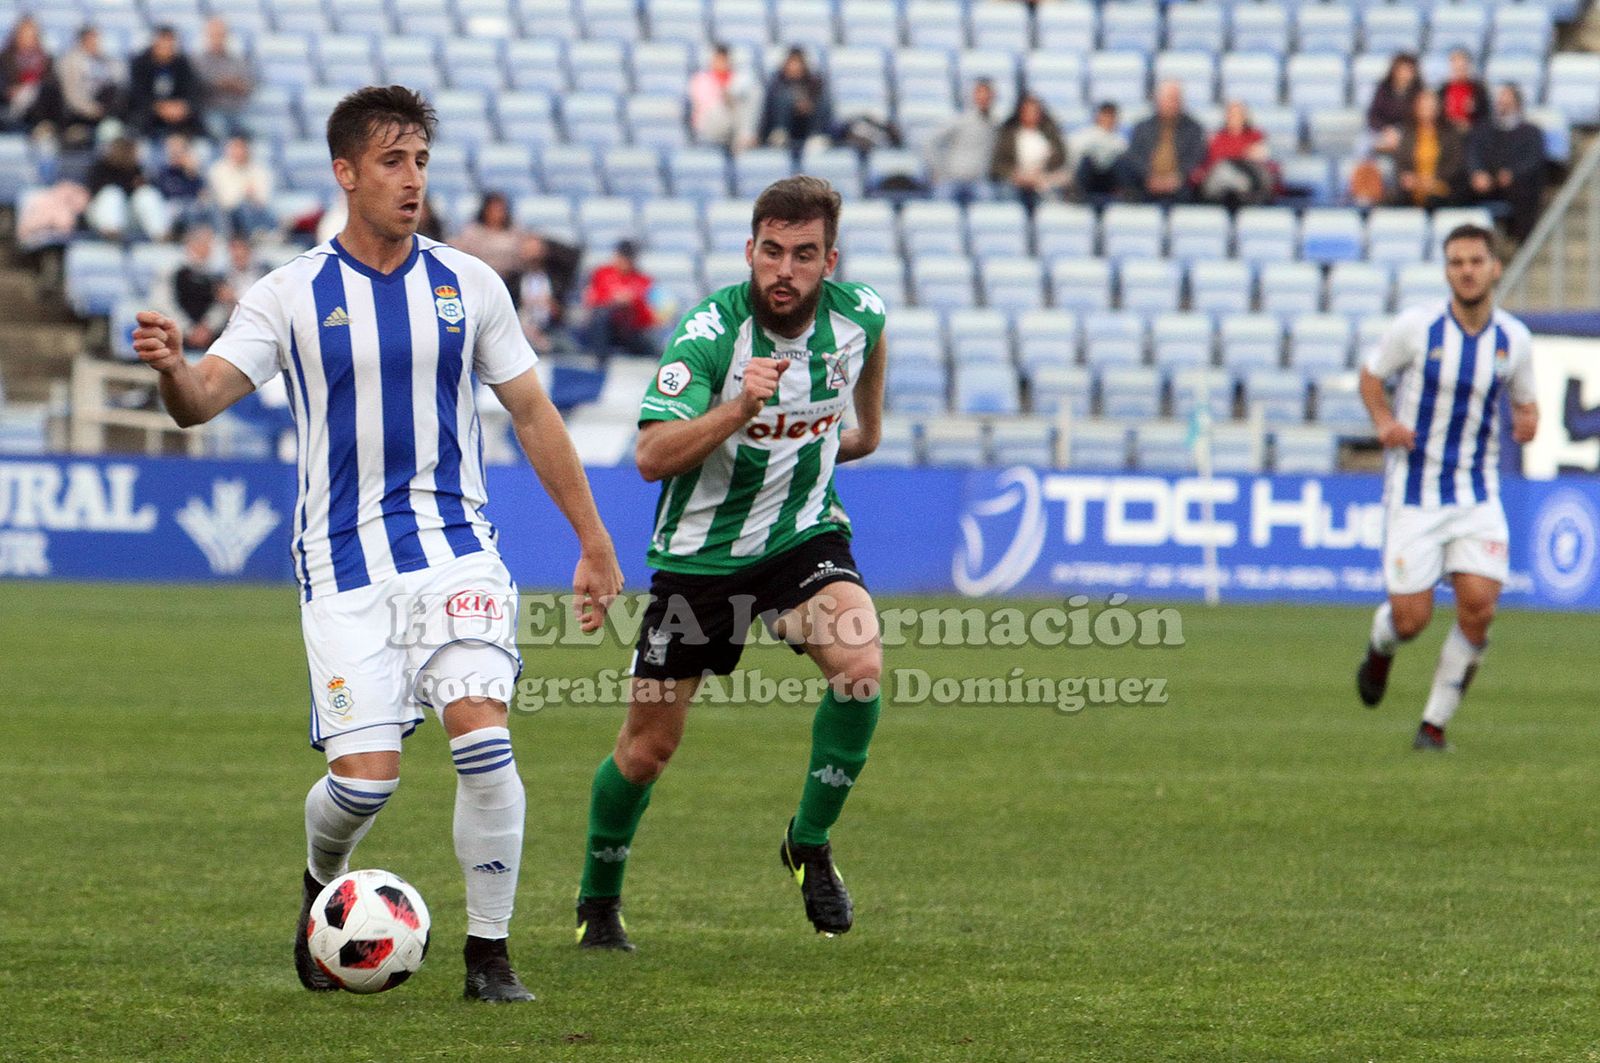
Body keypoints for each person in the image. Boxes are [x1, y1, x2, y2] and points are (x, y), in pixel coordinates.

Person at [130, 85, 623, 1003]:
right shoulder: (287, 294)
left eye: (422, 162)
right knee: (364, 786)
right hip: (342, 566)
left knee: (484, 739)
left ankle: (490, 955)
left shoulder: (470, 284)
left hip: (455, 551)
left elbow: (531, 412)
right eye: (393, 162)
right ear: (346, 172)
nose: (413, 180)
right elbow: (200, 401)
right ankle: (322, 884)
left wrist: (592, 540)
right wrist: (169, 370)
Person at [571, 175, 887, 950]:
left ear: (828, 260)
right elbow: (648, 455)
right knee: (647, 751)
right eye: (771, 251)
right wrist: (739, 409)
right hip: (699, 561)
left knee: (860, 663)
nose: (785, 269)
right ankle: (598, 898)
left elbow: (869, 375)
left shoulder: (860, 316)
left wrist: (864, 432)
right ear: (750, 249)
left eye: (803, 254)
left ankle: (807, 843)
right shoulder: (709, 333)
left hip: (801, 540)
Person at [1355, 224, 1538, 751]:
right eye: (1457, 262)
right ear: (1446, 271)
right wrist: (1385, 422)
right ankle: (1381, 643)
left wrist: (1529, 420)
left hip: (1478, 494)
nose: (1467, 270)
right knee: (1412, 620)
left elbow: (1526, 401)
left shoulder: (1514, 339)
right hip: (1415, 492)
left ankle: (1433, 726)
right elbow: (1371, 377)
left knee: (1479, 606)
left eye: (1476, 261)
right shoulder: (1417, 328)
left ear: (1494, 268)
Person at [1467, 84, 1546, 243]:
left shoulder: (1531, 132)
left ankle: (1521, 242)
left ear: (1517, 103)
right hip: (1487, 181)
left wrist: (1513, 174)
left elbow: (1533, 159)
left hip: (1517, 183)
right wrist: (1478, 172)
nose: (1502, 103)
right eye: (1500, 100)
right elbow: (1473, 153)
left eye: (1506, 100)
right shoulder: (1483, 130)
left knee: (1525, 190)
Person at [1122, 80, 1206, 203]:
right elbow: (1134, 156)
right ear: (1158, 100)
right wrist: (1149, 177)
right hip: (1145, 184)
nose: (1173, 103)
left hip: (1181, 186)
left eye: (1176, 98)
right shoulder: (1142, 127)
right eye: (1169, 98)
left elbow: (1196, 158)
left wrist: (1177, 178)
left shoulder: (1194, 128)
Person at [578, 239, 660, 358]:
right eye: (623, 256)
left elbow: (650, 315)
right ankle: (599, 361)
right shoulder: (601, 273)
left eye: (629, 257)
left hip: (631, 329)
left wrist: (632, 303)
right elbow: (591, 300)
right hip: (607, 327)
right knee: (601, 317)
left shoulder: (644, 280)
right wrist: (614, 301)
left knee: (651, 342)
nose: (625, 261)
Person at [988, 92, 1069, 210]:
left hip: (1044, 177)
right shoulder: (1008, 134)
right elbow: (998, 164)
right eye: (1027, 111)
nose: (1031, 114)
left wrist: (1041, 172)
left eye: (1035, 111)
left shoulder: (1050, 132)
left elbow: (1060, 156)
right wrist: (1017, 176)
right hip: (1015, 180)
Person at [84, 134, 170, 240]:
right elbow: (93, 194)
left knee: (147, 194)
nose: (125, 153)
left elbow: (147, 192)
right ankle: (112, 234)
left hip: (129, 217)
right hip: (101, 216)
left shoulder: (137, 169)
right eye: (122, 149)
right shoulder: (100, 168)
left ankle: (162, 235)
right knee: (112, 193)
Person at [926, 78, 998, 204]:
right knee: (940, 207)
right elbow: (930, 141)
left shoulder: (995, 123)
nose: (983, 97)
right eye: (979, 93)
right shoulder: (960, 119)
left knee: (989, 207)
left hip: (979, 180)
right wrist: (938, 169)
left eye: (987, 94)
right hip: (952, 178)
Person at [1195, 100, 1278, 208]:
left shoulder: (1256, 137)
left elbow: (1263, 164)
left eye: (1239, 114)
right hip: (1220, 191)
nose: (1235, 117)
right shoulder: (1216, 139)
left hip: (1251, 188)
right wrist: (1243, 154)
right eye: (1232, 114)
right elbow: (1211, 167)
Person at [128, 25, 203, 138]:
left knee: (196, 121)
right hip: (149, 109)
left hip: (177, 108)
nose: (167, 45)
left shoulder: (182, 62)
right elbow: (138, 92)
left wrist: (182, 105)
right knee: (140, 121)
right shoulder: (140, 62)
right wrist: (159, 107)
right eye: (164, 41)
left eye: (170, 41)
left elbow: (191, 88)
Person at [1394, 90, 1466, 208]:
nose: (1428, 109)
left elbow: (1456, 164)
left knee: (1435, 199)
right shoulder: (1408, 133)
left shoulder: (1451, 133)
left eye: (1431, 106)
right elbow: (1400, 162)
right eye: (1424, 106)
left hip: (1442, 187)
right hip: (1413, 188)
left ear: (1438, 108)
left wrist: (1432, 180)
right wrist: (1408, 178)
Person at [56, 25, 124, 146]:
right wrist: (91, 109)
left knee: (116, 91)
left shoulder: (107, 61)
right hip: (79, 112)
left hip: (104, 109)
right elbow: (71, 94)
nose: (95, 43)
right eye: (91, 39)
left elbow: (118, 80)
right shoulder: (70, 61)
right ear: (82, 41)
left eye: (97, 39)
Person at [168, 223, 230, 352]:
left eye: (209, 245)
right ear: (190, 246)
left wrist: (207, 327)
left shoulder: (216, 276)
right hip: (179, 338)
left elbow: (221, 305)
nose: (207, 249)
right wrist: (189, 330)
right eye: (203, 244)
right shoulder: (173, 272)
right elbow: (164, 304)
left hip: (211, 340)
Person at [758, 46, 832, 153]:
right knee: (783, 96)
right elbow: (769, 109)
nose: (794, 67)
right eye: (792, 63)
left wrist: (808, 105)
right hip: (785, 125)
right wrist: (793, 104)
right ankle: (780, 134)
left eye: (798, 63)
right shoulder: (777, 82)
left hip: (807, 124)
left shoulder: (815, 82)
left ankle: (817, 136)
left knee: (823, 98)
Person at [193, 16, 255, 141]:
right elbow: (196, 87)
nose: (217, 39)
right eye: (213, 35)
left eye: (220, 35)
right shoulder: (197, 61)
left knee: (253, 133)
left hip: (236, 110)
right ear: (207, 36)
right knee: (219, 130)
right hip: (211, 110)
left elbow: (249, 86)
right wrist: (218, 84)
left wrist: (234, 84)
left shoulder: (238, 60)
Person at [688, 42, 756, 151]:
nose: (721, 62)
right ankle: (742, 138)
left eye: (724, 59)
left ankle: (743, 137)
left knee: (753, 92)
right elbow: (704, 106)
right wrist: (725, 98)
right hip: (709, 122)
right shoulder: (701, 79)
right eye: (718, 59)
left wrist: (731, 99)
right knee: (727, 106)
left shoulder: (737, 78)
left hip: (733, 120)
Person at [1, 15, 61, 135]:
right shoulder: (5, 58)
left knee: (45, 90)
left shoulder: (47, 59)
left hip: (39, 102)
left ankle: (45, 126)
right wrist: (10, 91)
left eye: (31, 35)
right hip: (12, 103)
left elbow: (53, 83)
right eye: (25, 34)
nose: (28, 38)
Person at [451, 191, 527, 285]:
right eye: (493, 209)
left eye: (500, 209)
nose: (497, 213)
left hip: (511, 278)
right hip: (479, 278)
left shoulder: (515, 231)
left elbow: (520, 256)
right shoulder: (473, 231)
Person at [207, 135, 276, 236]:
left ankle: (269, 235)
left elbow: (264, 199)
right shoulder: (218, 170)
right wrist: (244, 192)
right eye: (234, 147)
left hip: (256, 210)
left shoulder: (260, 169)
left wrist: (252, 196)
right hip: (228, 214)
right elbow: (225, 200)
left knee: (265, 212)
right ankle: (252, 237)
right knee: (242, 208)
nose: (238, 151)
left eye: (241, 147)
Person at [1067, 101, 1128, 199]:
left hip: (1109, 182)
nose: (1108, 120)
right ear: (1098, 116)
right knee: (1087, 160)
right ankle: (1077, 195)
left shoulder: (1120, 142)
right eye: (1105, 115)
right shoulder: (1082, 137)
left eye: (1112, 116)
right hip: (1087, 179)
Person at [1367, 53, 1423, 156]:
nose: (1405, 74)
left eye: (1409, 70)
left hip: (1408, 132)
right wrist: (1386, 129)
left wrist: (1399, 132)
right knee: (1364, 144)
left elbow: (1420, 117)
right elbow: (1373, 115)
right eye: (1402, 69)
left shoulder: (1419, 91)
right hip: (1383, 129)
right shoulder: (1383, 88)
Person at [153, 133, 206, 227]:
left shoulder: (191, 172)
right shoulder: (163, 171)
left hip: (190, 206)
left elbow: (201, 194)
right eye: (173, 150)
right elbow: (162, 195)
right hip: (169, 207)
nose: (176, 154)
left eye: (179, 150)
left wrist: (191, 173)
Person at [1439, 48, 1490, 133]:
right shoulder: (1442, 90)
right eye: (1456, 65)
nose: (1459, 68)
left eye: (1462, 66)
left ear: (1468, 65)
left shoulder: (1479, 90)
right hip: (1447, 136)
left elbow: (1485, 117)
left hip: (1472, 134)